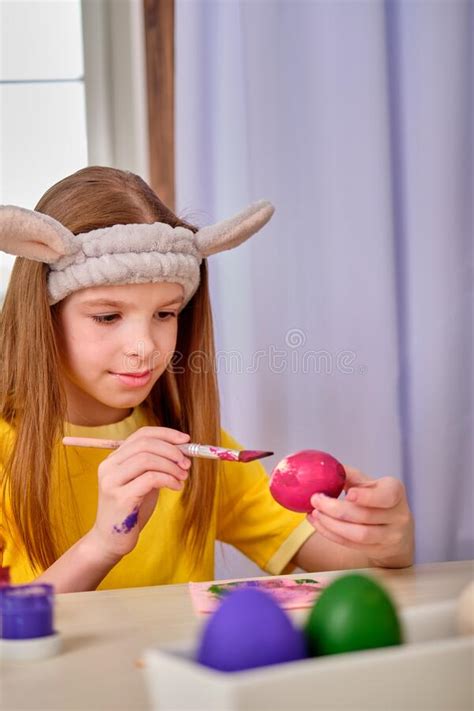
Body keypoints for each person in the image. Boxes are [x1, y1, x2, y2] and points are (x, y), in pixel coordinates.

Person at [0, 167, 414, 593]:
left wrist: (386, 545)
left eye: (165, 313)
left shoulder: (195, 446)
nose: (144, 346)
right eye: (107, 316)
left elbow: (352, 570)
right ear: (44, 317)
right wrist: (102, 545)